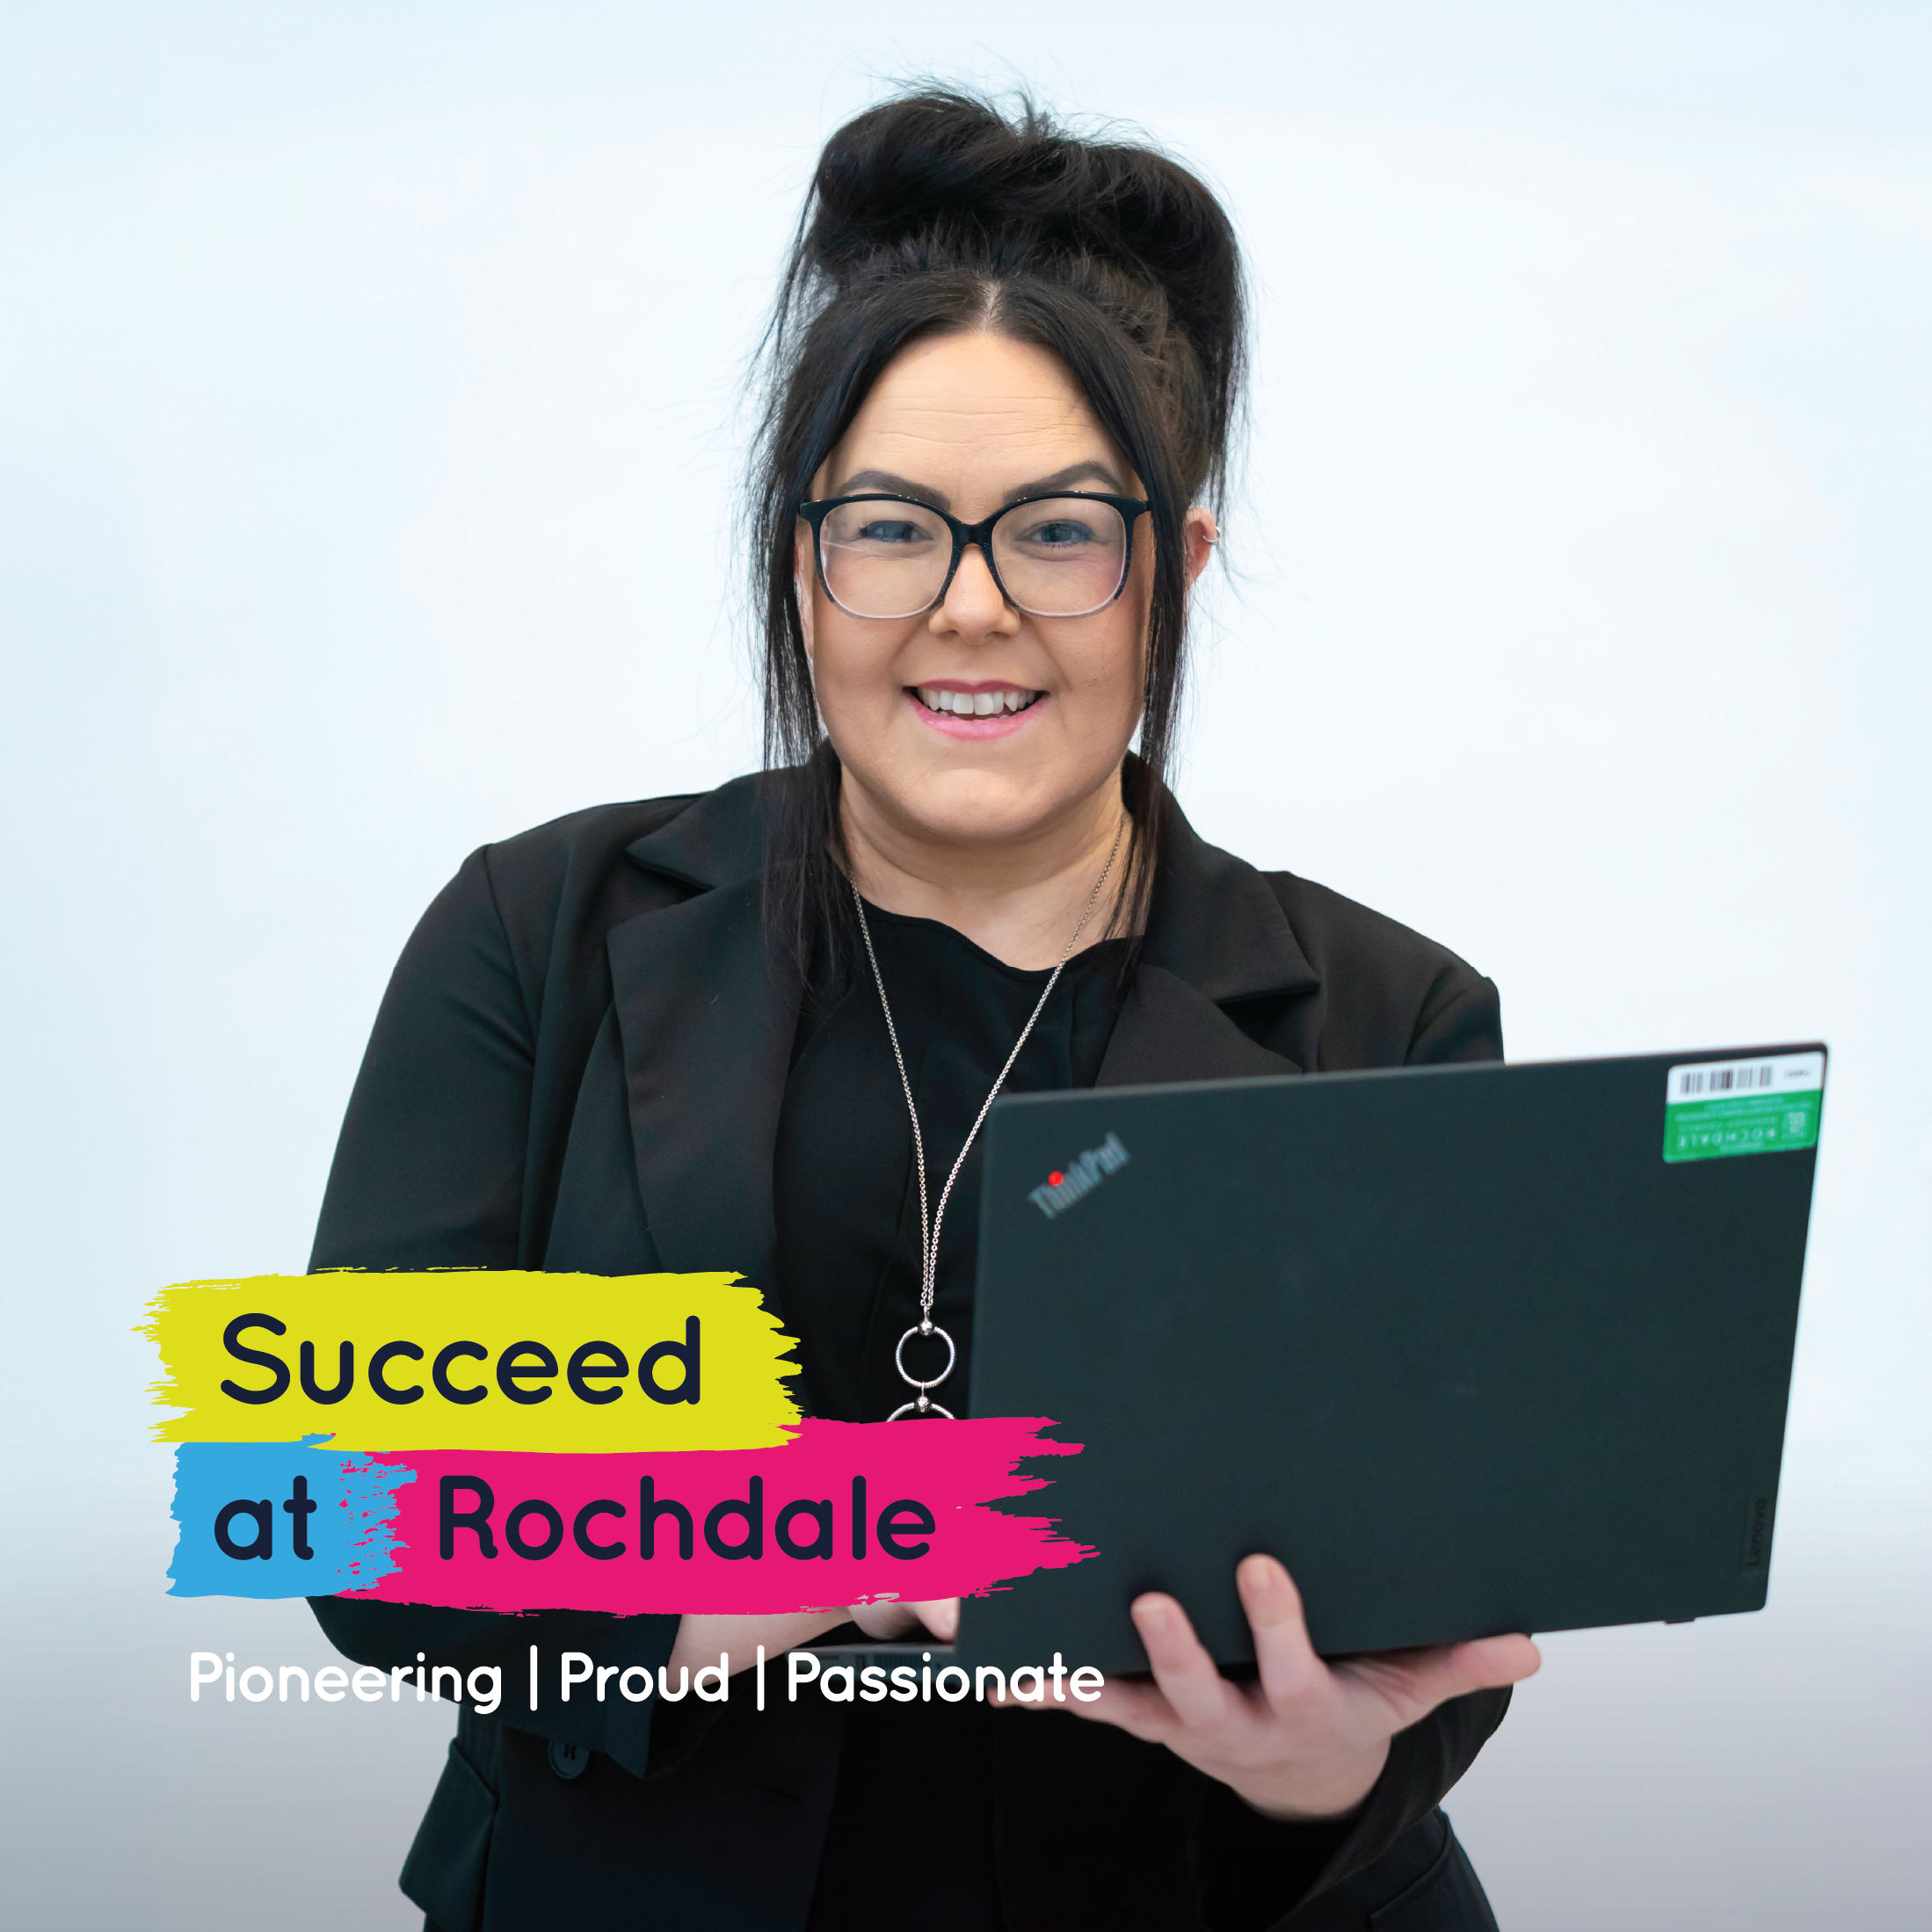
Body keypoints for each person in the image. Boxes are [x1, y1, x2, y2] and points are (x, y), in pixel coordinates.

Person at [309, 87, 1539, 1932]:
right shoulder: (537, 930)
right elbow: (353, 1506)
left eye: (1059, 533)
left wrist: (1319, 1763)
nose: (969, 610)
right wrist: (788, 1547)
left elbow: (1430, 1605)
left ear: (1175, 570)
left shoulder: (1389, 1014)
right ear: (799, 560)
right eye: (891, 528)